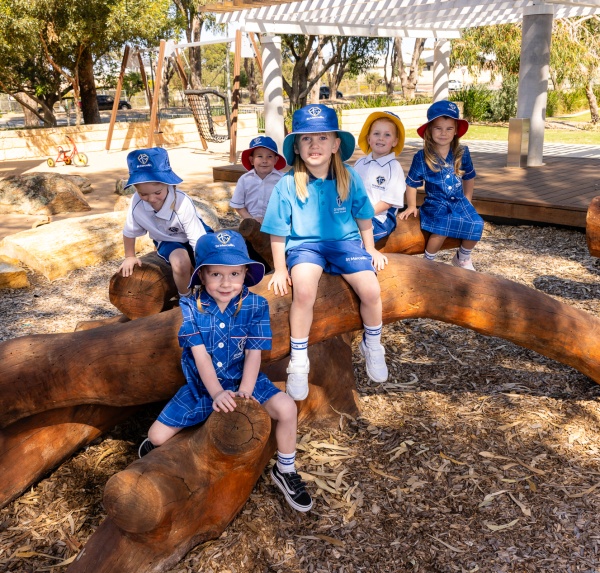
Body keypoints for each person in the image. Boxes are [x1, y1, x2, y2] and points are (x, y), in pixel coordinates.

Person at [138, 230, 312, 513]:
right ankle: (194, 427)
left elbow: (254, 352)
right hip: (204, 386)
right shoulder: (191, 306)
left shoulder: (256, 305)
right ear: (202, 275)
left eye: (234, 274)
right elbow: (200, 355)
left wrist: (245, 389)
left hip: (245, 378)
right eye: (216, 274)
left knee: (287, 407)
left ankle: (286, 469)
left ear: (245, 272)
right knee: (156, 437)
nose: (226, 283)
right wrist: (217, 393)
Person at [261, 104, 389, 401]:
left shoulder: (349, 177)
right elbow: (279, 231)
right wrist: (280, 269)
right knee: (304, 291)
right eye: (306, 139)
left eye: (322, 138)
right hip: (304, 245)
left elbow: (363, 216)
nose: (314, 144)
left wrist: (370, 249)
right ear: (296, 147)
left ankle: (373, 343)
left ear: (335, 145)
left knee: (370, 289)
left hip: (344, 243)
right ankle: (299, 358)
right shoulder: (288, 184)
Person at [399, 100, 483, 270]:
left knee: (477, 224)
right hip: (436, 203)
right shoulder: (422, 157)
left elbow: (469, 176)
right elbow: (411, 183)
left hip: (459, 201)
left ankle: (463, 258)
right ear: (430, 130)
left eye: (449, 128)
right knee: (442, 227)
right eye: (438, 128)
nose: (443, 133)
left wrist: (467, 199)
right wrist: (412, 206)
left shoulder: (462, 152)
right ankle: (427, 262)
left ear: (456, 131)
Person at [119, 147, 212, 298]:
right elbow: (129, 231)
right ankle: (187, 299)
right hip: (168, 240)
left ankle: (212, 293)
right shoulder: (136, 203)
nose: (151, 199)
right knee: (181, 263)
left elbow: (197, 238)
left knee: (213, 261)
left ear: (168, 184)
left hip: (198, 236)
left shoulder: (181, 202)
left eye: (157, 193)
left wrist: (203, 262)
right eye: (143, 194)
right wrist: (129, 256)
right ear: (136, 189)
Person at [353, 111, 407, 242]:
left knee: (355, 240)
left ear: (395, 141)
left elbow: (389, 201)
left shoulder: (394, 167)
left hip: (379, 218)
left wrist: (365, 214)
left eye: (387, 135)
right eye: (376, 134)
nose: (381, 138)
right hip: (356, 214)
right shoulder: (360, 163)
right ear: (368, 138)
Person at [230, 135, 287, 223]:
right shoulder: (245, 180)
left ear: (276, 160)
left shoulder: (283, 180)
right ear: (251, 160)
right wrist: (252, 221)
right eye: (260, 156)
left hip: (277, 224)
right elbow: (238, 206)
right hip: (251, 225)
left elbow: (288, 206)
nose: (264, 160)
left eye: (269, 157)